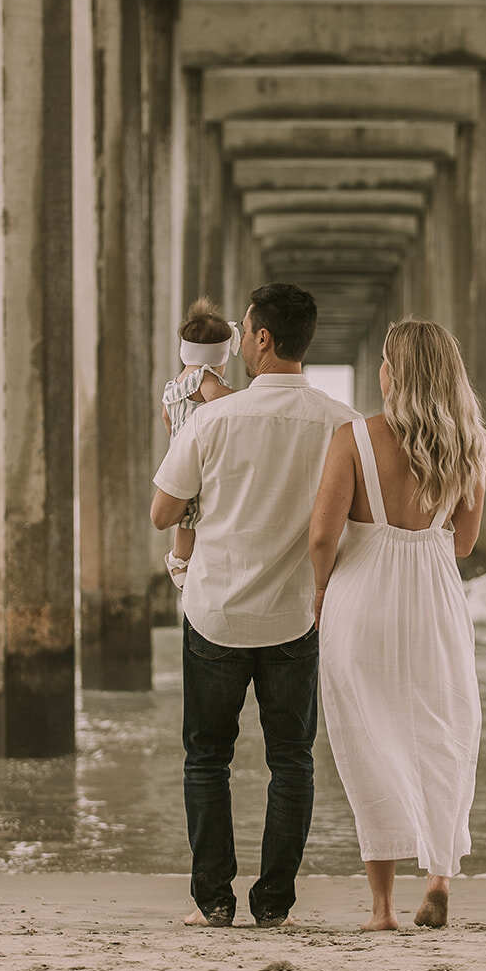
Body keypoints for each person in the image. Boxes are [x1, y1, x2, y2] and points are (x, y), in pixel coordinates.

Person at [150, 283, 358, 930]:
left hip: (215, 612)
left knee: (207, 759)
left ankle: (214, 901)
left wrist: (177, 436)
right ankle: (273, 906)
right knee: (291, 761)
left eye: (243, 330)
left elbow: (163, 513)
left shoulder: (213, 418)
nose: (239, 340)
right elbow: (353, 522)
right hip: (295, 614)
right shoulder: (341, 422)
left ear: (263, 338)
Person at [309, 318, 486, 932]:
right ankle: (438, 876)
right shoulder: (467, 445)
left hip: (362, 597)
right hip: (434, 597)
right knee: (444, 731)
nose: (380, 369)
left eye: (386, 360)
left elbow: (321, 536)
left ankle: (382, 908)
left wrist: (320, 590)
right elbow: (464, 542)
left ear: (396, 373)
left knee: (367, 741)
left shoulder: (354, 438)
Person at [160, 295, 240, 590]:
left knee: (187, 512)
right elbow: (217, 398)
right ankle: (179, 559)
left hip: (179, 455)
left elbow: (166, 417)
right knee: (192, 513)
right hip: (198, 457)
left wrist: (175, 442)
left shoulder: (175, 384)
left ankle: (181, 556)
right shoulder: (205, 377)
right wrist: (249, 397)